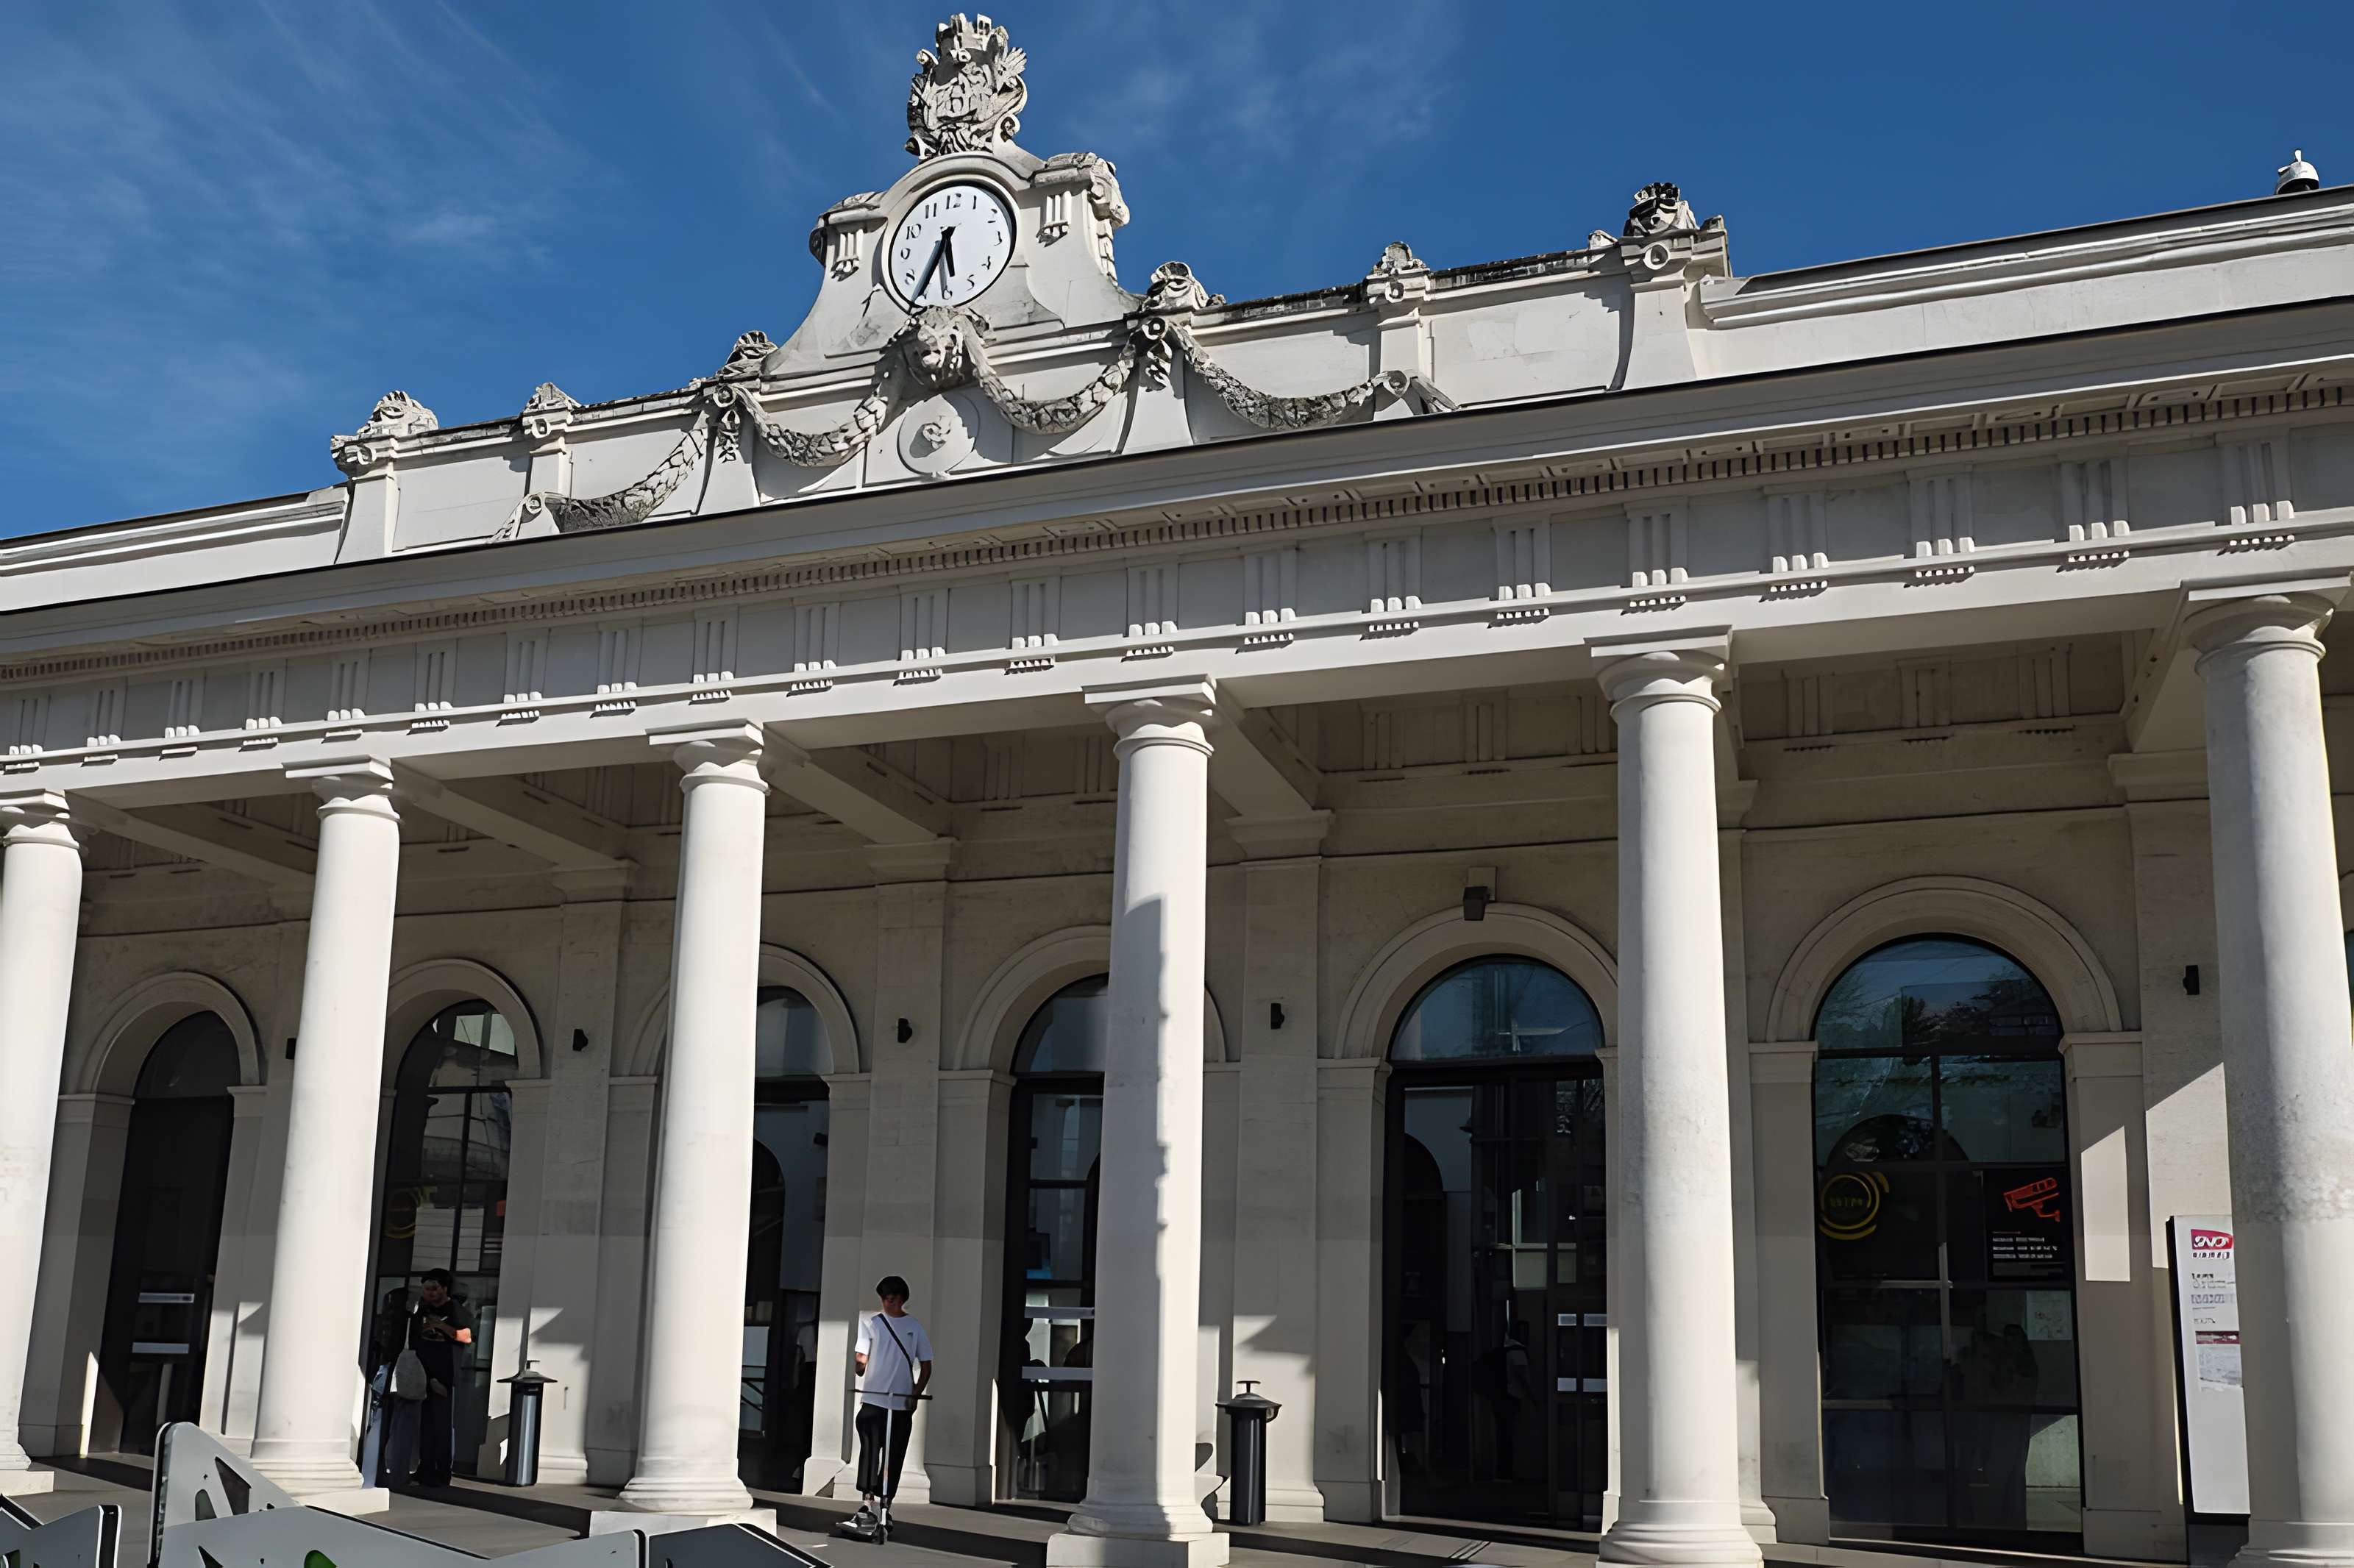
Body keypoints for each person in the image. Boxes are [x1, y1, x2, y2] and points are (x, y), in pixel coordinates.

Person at [850, 1275, 933, 1529]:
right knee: (870, 1449)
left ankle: (886, 1503)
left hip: (900, 1402)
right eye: (884, 1299)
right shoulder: (871, 1324)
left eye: (891, 1298)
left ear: (901, 1299)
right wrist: (860, 1365)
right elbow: (861, 1362)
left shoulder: (914, 1327)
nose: (887, 1303)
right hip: (874, 1399)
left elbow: (927, 1365)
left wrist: (915, 1394)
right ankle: (867, 1502)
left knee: (894, 1455)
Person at [408, 1269, 474, 1488]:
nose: (429, 1293)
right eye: (426, 1289)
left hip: (446, 1377)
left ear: (445, 1289)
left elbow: (466, 1336)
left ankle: (442, 1473)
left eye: (434, 1288)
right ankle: (424, 1470)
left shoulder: (455, 1310)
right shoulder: (421, 1311)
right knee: (425, 1426)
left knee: (443, 1427)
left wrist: (440, 1325)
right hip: (423, 1376)